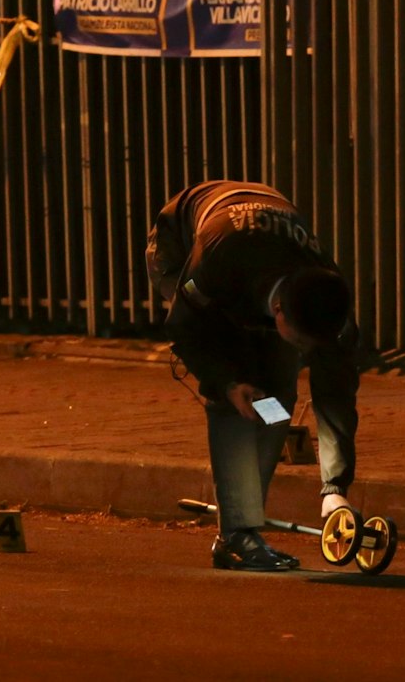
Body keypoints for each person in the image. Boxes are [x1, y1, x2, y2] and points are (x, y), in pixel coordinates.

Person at [147, 181, 359, 572]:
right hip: (183, 244)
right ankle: (237, 537)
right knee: (237, 391)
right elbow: (183, 326)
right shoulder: (218, 262)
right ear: (278, 311)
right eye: (302, 343)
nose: (306, 353)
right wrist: (226, 383)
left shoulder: (326, 293)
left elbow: (336, 391)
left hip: (262, 256)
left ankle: (244, 526)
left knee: (275, 402)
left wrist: (335, 488)